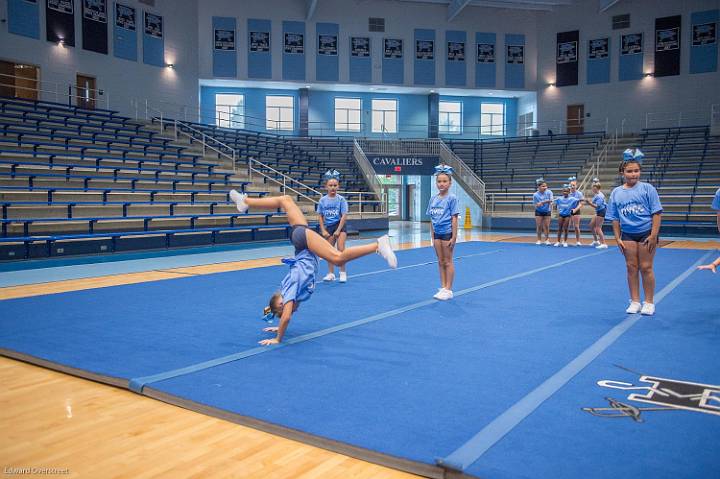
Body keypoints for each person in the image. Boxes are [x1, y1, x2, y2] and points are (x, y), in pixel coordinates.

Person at [228, 189, 397, 345]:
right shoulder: (294, 295)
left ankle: (377, 244)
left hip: (302, 241)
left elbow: (285, 317)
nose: (288, 307)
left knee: (338, 258)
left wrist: (278, 337)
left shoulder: (290, 290)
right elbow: (279, 313)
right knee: (286, 200)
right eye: (286, 308)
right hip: (301, 243)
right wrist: (275, 322)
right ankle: (245, 201)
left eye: (283, 305)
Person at [605, 148, 662, 316]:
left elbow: (656, 213)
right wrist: (617, 238)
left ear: (640, 171)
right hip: (627, 234)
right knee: (631, 267)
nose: (633, 174)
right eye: (629, 171)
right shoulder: (616, 192)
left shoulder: (647, 189)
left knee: (646, 267)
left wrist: (653, 235)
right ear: (622, 172)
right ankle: (635, 301)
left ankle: (649, 302)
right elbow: (614, 217)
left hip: (646, 232)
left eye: (636, 171)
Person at [426, 164, 460, 300]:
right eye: (439, 181)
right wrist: (432, 235)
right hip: (437, 234)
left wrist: (454, 236)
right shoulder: (433, 199)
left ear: (450, 183)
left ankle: (448, 289)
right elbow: (431, 218)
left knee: (448, 261)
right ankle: (442, 287)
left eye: (444, 181)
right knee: (440, 261)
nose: (441, 184)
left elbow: (454, 219)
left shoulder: (452, 198)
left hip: (447, 233)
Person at [317, 170, 349, 283]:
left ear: (338, 186)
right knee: (329, 251)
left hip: (340, 225)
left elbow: (344, 215)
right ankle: (330, 273)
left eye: (335, 185)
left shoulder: (341, 199)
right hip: (329, 226)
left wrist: (339, 230)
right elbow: (320, 216)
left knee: (340, 249)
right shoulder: (322, 200)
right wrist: (323, 230)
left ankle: (343, 272)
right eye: (330, 185)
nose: (333, 187)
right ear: (326, 186)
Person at [585, 179, 608, 249]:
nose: (593, 190)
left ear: (597, 188)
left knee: (598, 228)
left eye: (594, 189)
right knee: (591, 225)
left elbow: (596, 206)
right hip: (598, 211)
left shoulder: (600, 196)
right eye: (592, 188)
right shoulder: (596, 194)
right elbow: (592, 202)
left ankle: (604, 243)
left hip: (601, 211)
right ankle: (596, 240)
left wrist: (589, 203)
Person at [533, 178, 553, 245]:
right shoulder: (535, 195)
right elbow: (535, 205)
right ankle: (539, 240)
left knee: (546, 226)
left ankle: (547, 240)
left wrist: (542, 202)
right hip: (539, 212)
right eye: (543, 186)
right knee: (539, 226)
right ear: (539, 187)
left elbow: (551, 200)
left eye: (546, 186)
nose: (545, 187)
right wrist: (538, 205)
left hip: (547, 211)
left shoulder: (549, 192)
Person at [568, 176, 585, 246]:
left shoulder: (579, 194)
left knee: (576, 226)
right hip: (568, 211)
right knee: (566, 226)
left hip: (576, 211)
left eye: (573, 185)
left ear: (576, 186)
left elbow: (582, 203)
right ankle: (564, 240)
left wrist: (575, 209)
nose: (572, 186)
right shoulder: (567, 193)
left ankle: (578, 241)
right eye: (571, 185)